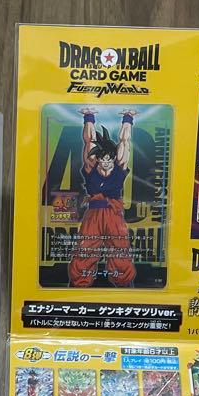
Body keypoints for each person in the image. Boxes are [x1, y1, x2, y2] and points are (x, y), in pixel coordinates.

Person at [67, 109, 136, 287]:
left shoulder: (119, 167)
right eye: (103, 159)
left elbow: (124, 141)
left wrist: (127, 119)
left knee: (120, 247)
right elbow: (89, 141)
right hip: (94, 214)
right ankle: (79, 283)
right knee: (86, 247)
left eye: (109, 159)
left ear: (113, 159)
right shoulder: (91, 167)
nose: (106, 163)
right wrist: (88, 117)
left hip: (113, 213)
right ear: (98, 159)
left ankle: (123, 282)